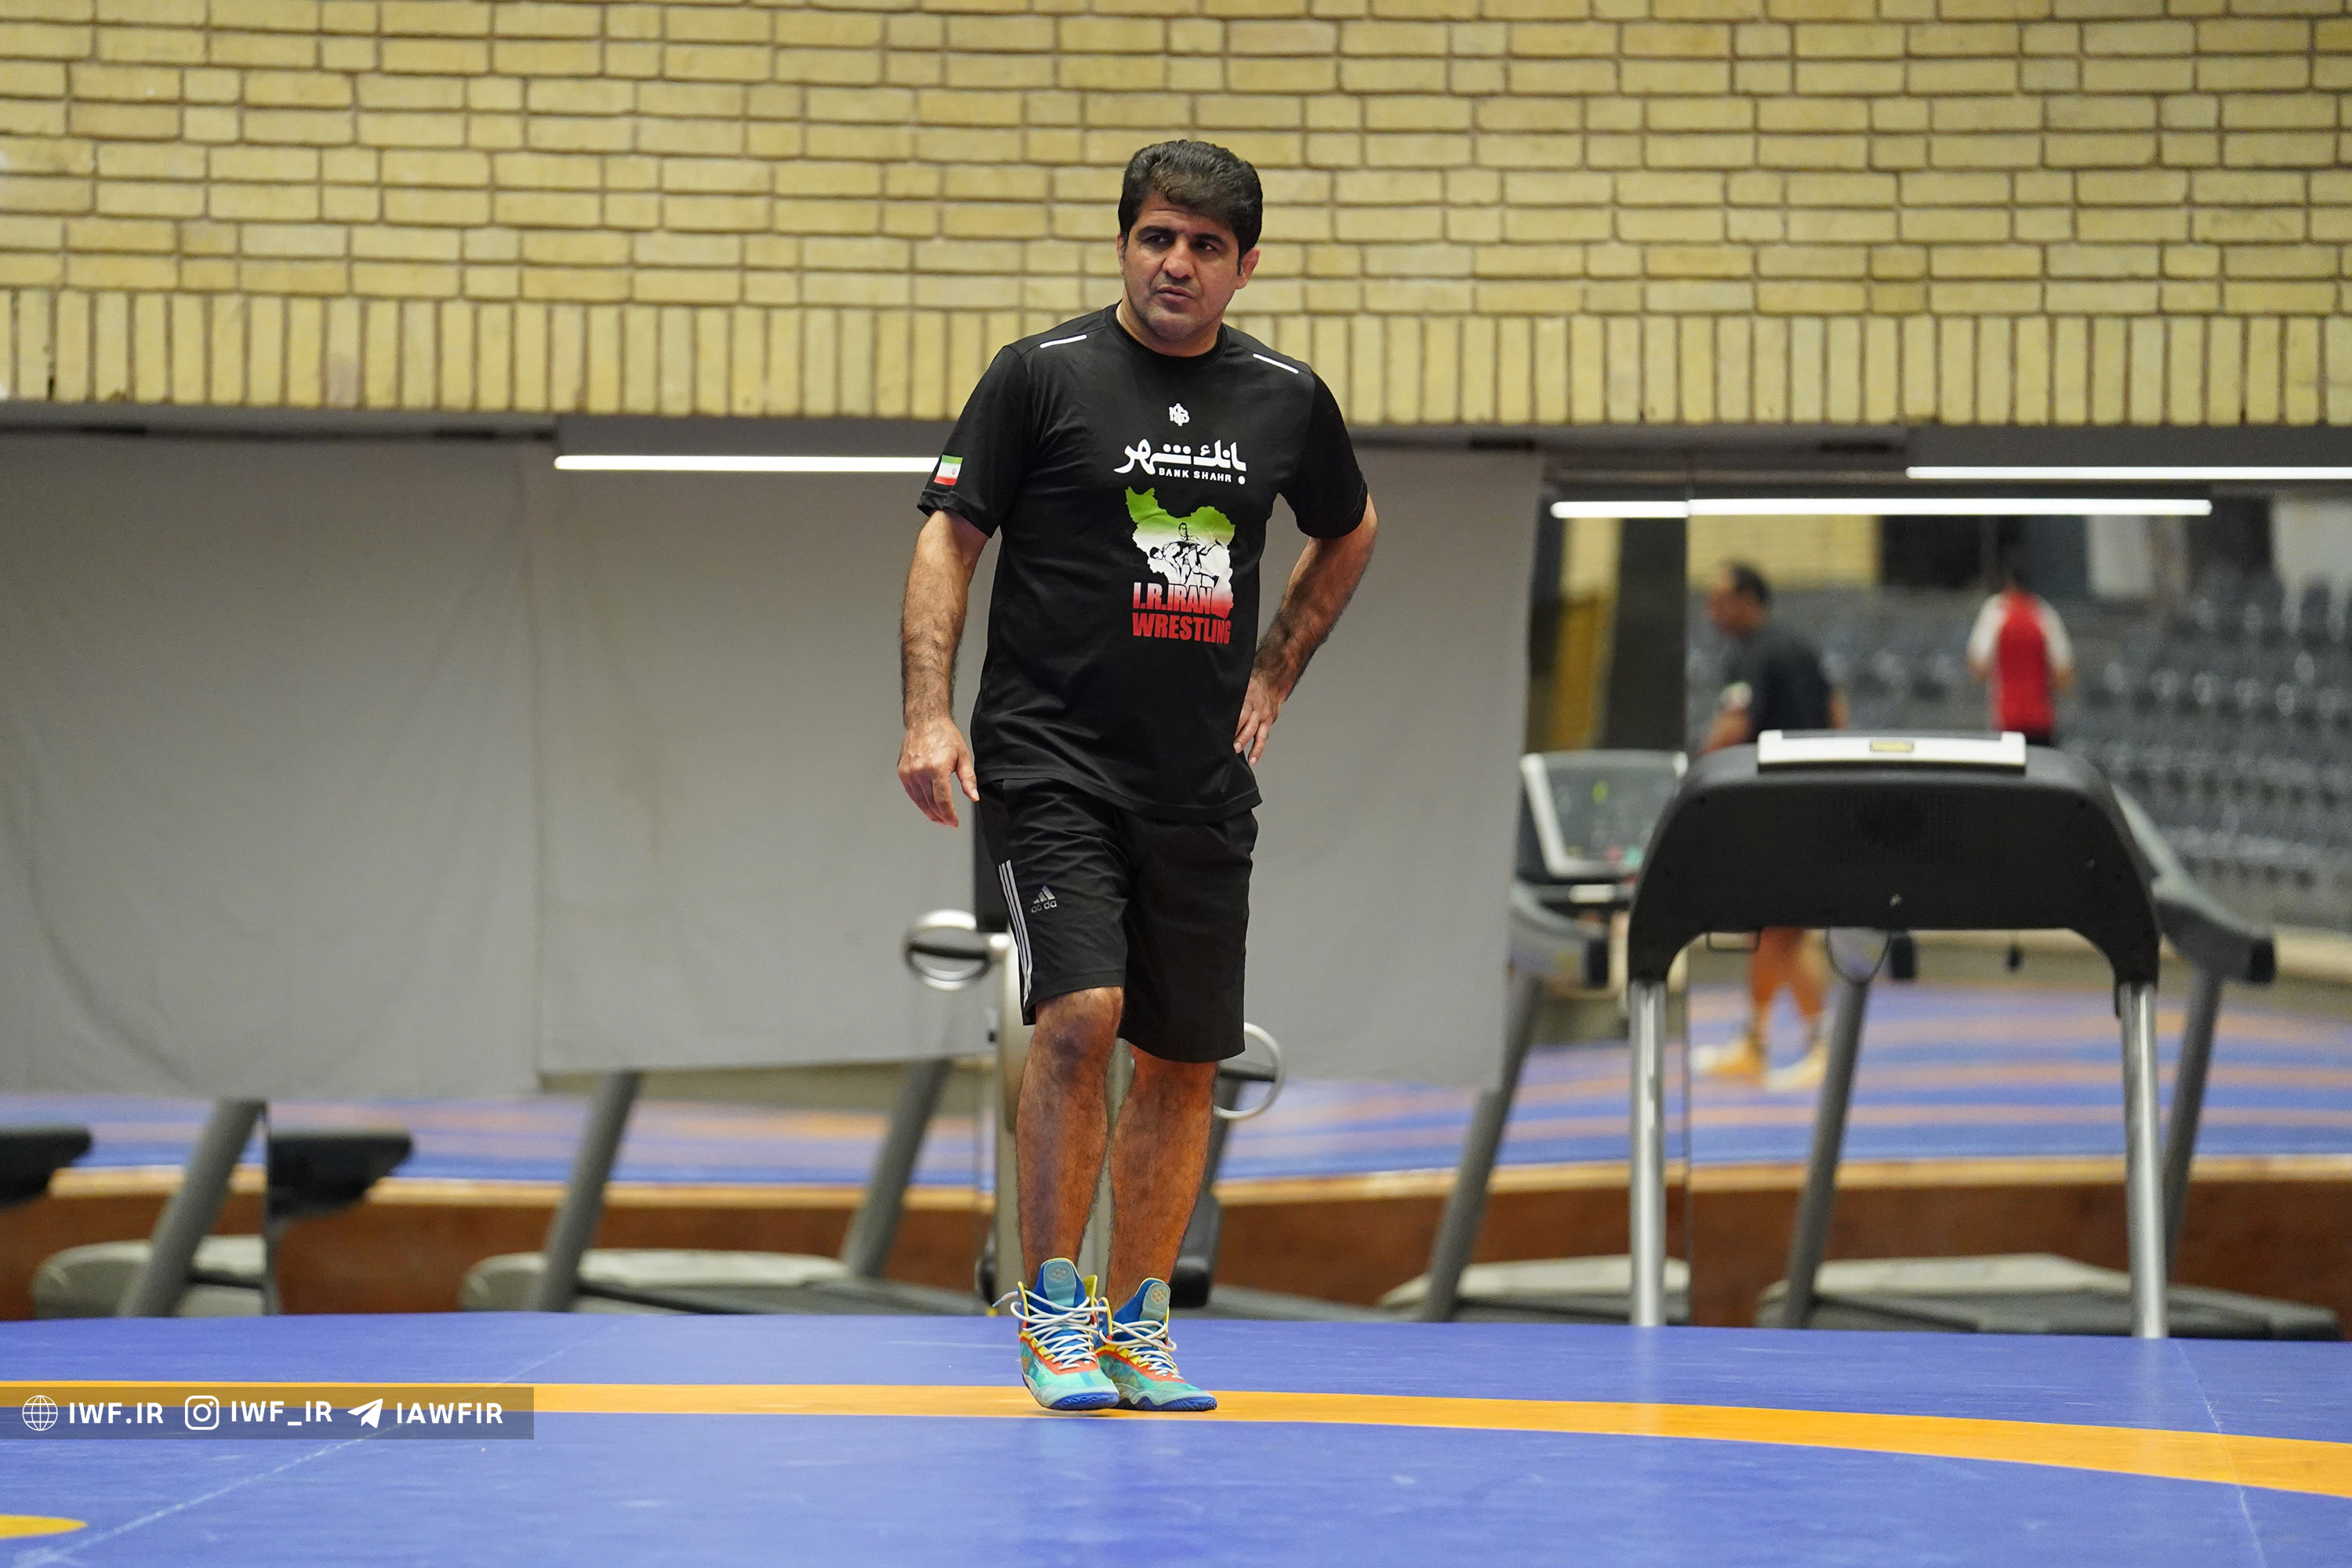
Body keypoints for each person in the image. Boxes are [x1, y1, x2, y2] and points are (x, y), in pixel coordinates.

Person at [896, 140, 1377, 1414]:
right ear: (1125, 245)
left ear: (1244, 266)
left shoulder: (1285, 397)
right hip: (1050, 760)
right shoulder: (1040, 376)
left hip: (1199, 785)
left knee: (1183, 1057)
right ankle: (1053, 1307)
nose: (1178, 264)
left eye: (1206, 246)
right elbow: (949, 541)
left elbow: (1350, 528)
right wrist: (927, 716)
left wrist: (1277, 667)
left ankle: (1138, 1324)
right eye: (1158, 237)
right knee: (1083, 1013)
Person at [1695, 562, 1845, 1089]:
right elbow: (1838, 714)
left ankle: (1824, 1047)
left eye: (1719, 599)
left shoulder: (1753, 653)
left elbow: (1734, 726)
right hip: (1810, 802)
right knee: (1768, 929)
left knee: (1781, 930)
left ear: (1747, 599)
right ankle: (1756, 1044)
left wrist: (1693, 776)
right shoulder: (1799, 647)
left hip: (1783, 809)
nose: (1711, 611)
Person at [1967, 555, 2074, 746]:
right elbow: (2064, 675)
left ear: (2007, 580)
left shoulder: (1995, 611)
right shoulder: (2044, 613)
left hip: (2006, 717)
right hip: (2040, 718)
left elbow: (1978, 668)